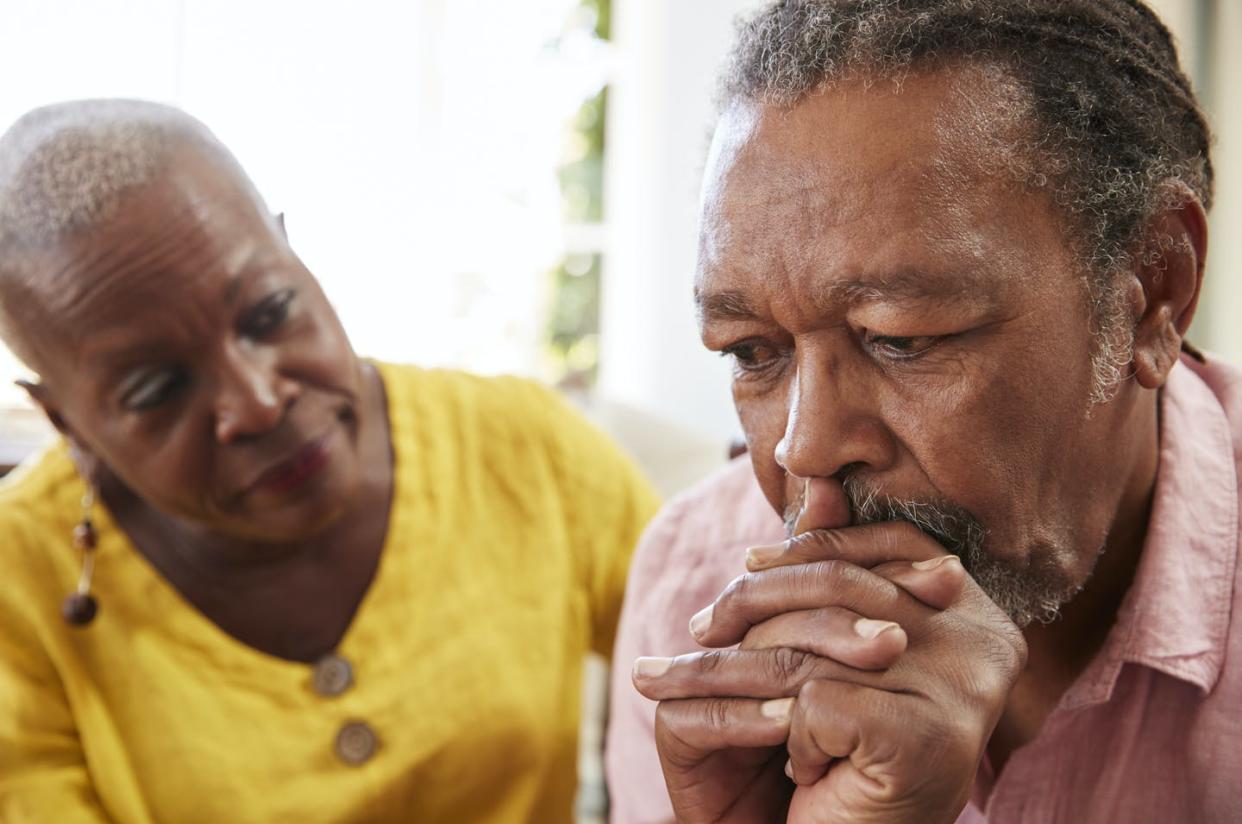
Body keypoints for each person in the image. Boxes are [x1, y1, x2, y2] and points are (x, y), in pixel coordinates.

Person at [606, 1, 1241, 822]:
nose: (805, 448)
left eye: (900, 339)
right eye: (752, 352)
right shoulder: (691, 594)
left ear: (1153, 292)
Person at [0, 99, 659, 823]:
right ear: (69, 423)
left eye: (270, 312)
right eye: (157, 388)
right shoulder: (16, 586)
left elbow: (724, 686)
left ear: (297, 260)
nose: (256, 402)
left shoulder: (527, 451)